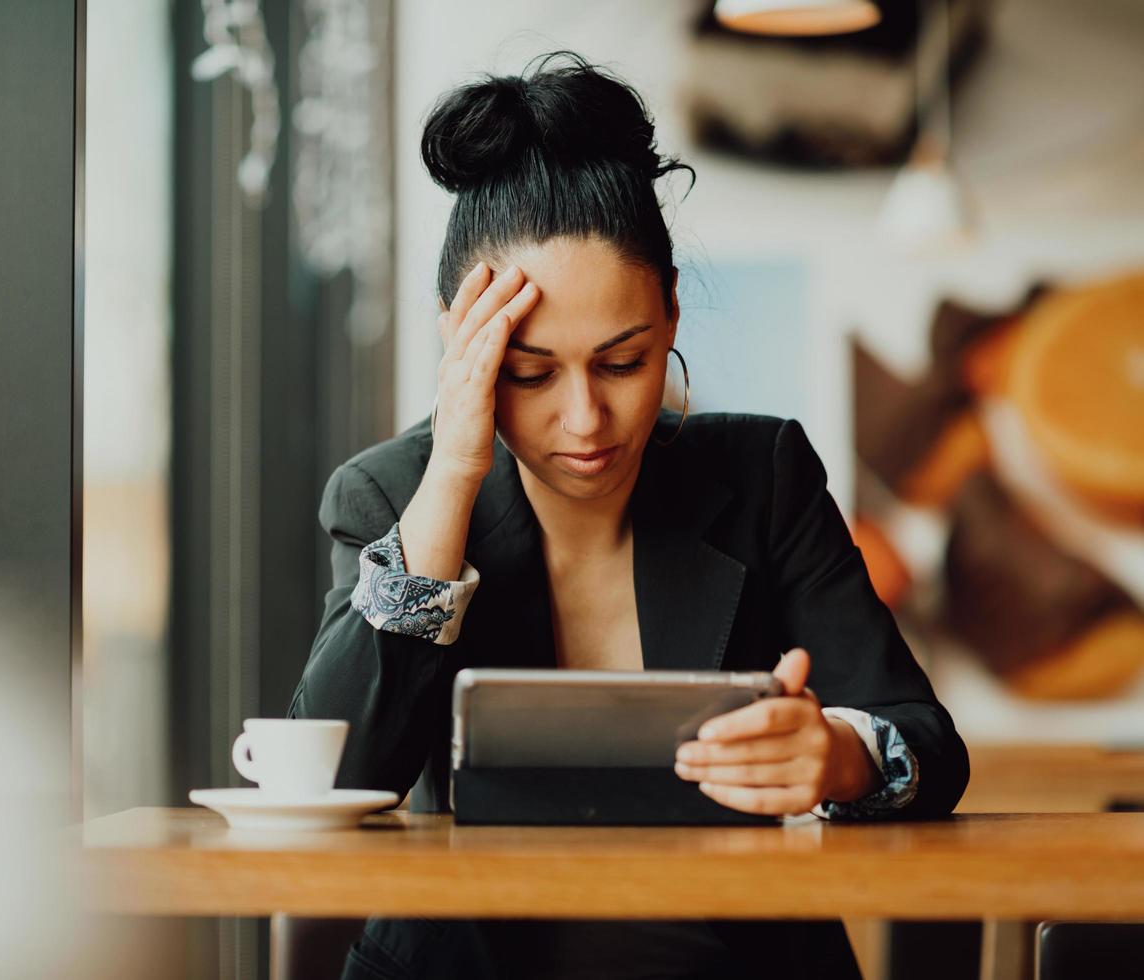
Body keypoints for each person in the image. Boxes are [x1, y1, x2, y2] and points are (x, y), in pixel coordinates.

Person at [289, 51, 969, 980]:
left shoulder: (761, 474)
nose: (585, 421)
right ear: (466, 345)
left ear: (673, 313)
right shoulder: (388, 496)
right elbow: (335, 778)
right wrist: (452, 469)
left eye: (622, 363)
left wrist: (841, 756)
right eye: (529, 373)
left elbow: (926, 740)